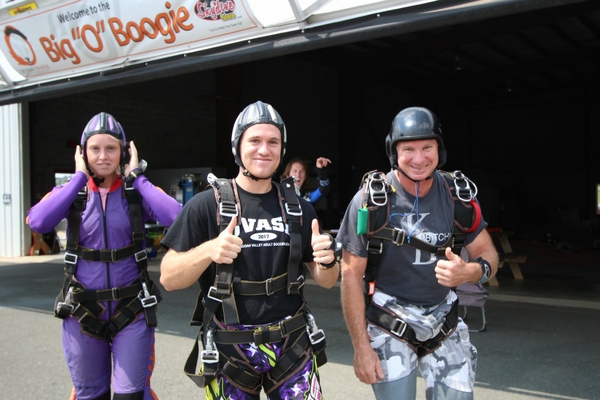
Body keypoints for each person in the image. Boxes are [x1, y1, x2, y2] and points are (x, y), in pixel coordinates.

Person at [160, 101, 341, 400]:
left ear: (281, 150)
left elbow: (327, 280)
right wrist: (209, 250)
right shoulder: (207, 205)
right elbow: (168, 277)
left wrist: (328, 260)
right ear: (238, 146)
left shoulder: (299, 209)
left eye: (273, 142)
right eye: (254, 140)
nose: (264, 150)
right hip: (231, 348)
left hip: (292, 344)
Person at [337, 106, 498, 399]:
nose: (419, 158)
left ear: (440, 150)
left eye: (427, 147)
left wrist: (471, 271)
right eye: (408, 149)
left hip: (444, 319)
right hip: (390, 320)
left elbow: (488, 252)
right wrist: (361, 348)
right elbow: (350, 275)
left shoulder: (457, 196)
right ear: (393, 152)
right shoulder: (370, 201)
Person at [27, 112, 182, 400]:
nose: (102, 156)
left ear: (124, 151)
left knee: (132, 395)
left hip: (131, 311)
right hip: (82, 314)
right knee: (90, 395)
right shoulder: (72, 193)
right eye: (94, 149)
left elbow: (175, 216)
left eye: (111, 148)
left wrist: (137, 178)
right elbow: (38, 222)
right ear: (83, 153)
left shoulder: (134, 192)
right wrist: (78, 179)